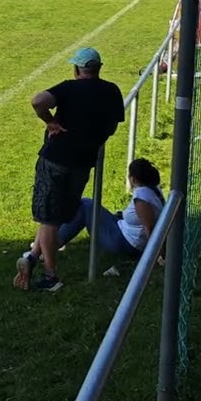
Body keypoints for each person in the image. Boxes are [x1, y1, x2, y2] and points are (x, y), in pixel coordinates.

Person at [15, 47, 125, 292]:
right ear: (99, 68)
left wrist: (50, 121)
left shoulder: (69, 87)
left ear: (77, 69)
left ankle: (51, 276)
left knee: (49, 219)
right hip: (83, 163)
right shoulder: (112, 91)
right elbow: (113, 126)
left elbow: (38, 101)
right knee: (56, 216)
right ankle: (33, 257)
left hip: (55, 160)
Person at [18, 159, 165, 280]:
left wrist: (153, 259)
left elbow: (149, 229)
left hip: (125, 242)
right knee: (85, 205)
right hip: (122, 229)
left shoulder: (141, 198)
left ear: (133, 179)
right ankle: (45, 246)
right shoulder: (154, 190)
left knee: (85, 206)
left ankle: (46, 247)